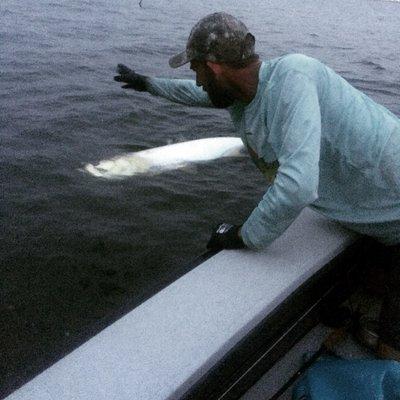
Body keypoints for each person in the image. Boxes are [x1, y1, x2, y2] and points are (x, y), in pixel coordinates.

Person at [114, 12, 400, 359]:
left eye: (197, 70)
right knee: (370, 284)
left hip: (393, 210)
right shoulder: (244, 94)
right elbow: (195, 94)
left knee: (388, 353)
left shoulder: (295, 76)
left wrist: (242, 236)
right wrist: (147, 83)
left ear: (214, 67)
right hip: (381, 214)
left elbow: (297, 187)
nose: (197, 80)